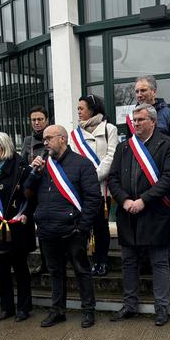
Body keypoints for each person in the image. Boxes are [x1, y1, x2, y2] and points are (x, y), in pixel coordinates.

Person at [108, 103, 170, 326]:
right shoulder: (124, 147)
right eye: (134, 120)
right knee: (128, 261)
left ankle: (161, 308)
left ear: (153, 121)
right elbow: (113, 178)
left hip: (156, 212)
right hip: (128, 213)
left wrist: (143, 200)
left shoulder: (168, 145)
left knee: (159, 262)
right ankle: (130, 305)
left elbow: (169, 179)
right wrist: (125, 200)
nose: (136, 124)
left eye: (140, 120)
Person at [27, 125, 102, 329]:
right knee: (55, 272)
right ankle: (57, 311)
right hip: (47, 229)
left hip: (73, 229)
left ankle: (88, 311)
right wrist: (33, 173)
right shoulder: (42, 165)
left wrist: (83, 227)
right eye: (44, 139)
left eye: (49, 138)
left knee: (81, 271)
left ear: (62, 139)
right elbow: (27, 192)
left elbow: (93, 198)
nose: (45, 142)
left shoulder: (82, 164)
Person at [0, 132, 36, 322]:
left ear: (4, 147)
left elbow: (30, 196)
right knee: (1, 269)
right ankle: (7, 307)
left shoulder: (20, 167)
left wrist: (25, 215)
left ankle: (24, 308)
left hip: (14, 225)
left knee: (19, 268)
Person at [68, 94, 119, 277]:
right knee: (83, 226)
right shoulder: (75, 134)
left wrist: (91, 177)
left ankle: (101, 261)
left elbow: (111, 156)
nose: (79, 112)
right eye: (78, 109)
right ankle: (84, 262)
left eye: (82, 108)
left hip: (100, 188)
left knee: (100, 226)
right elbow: (73, 160)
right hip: (81, 189)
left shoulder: (109, 129)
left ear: (93, 109)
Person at [21, 105, 51, 275]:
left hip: (50, 188)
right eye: (34, 120)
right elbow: (22, 164)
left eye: (40, 119)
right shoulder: (27, 141)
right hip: (33, 189)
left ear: (47, 120)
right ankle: (43, 262)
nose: (37, 123)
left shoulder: (53, 136)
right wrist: (29, 166)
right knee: (37, 228)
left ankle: (51, 262)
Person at [134, 75, 170, 156]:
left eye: (143, 90)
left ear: (154, 92)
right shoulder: (132, 117)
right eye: (137, 91)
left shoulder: (169, 114)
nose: (139, 95)